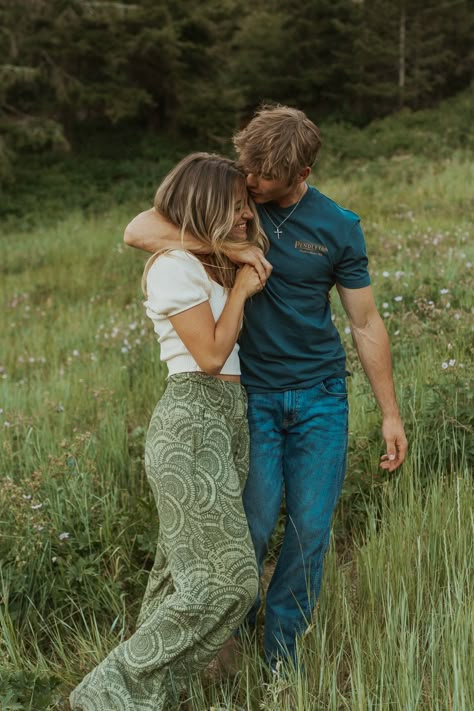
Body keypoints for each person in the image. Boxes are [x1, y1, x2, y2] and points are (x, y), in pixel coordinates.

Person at [124, 106, 408, 666]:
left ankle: (282, 657)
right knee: (248, 527)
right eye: (247, 168)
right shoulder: (235, 197)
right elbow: (138, 229)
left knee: (309, 532)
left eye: (265, 176)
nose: (251, 181)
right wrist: (232, 247)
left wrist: (390, 413)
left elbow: (365, 322)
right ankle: (228, 643)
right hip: (250, 395)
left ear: (301, 174)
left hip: (321, 397)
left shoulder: (338, 226)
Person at [70, 153, 269, 711]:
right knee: (228, 582)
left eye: (246, 207)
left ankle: (151, 695)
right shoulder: (173, 265)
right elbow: (208, 356)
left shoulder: (207, 260)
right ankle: (108, 693)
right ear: (205, 207)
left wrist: (231, 256)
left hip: (226, 419)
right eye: (233, 209)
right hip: (192, 422)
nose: (246, 218)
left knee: (174, 579)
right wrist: (241, 292)